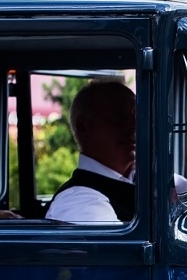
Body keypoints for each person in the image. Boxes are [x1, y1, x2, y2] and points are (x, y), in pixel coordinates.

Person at [46, 80, 137, 223]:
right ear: (84, 127)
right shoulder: (78, 200)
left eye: (136, 116)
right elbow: (116, 245)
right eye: (119, 117)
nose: (134, 126)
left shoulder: (145, 178)